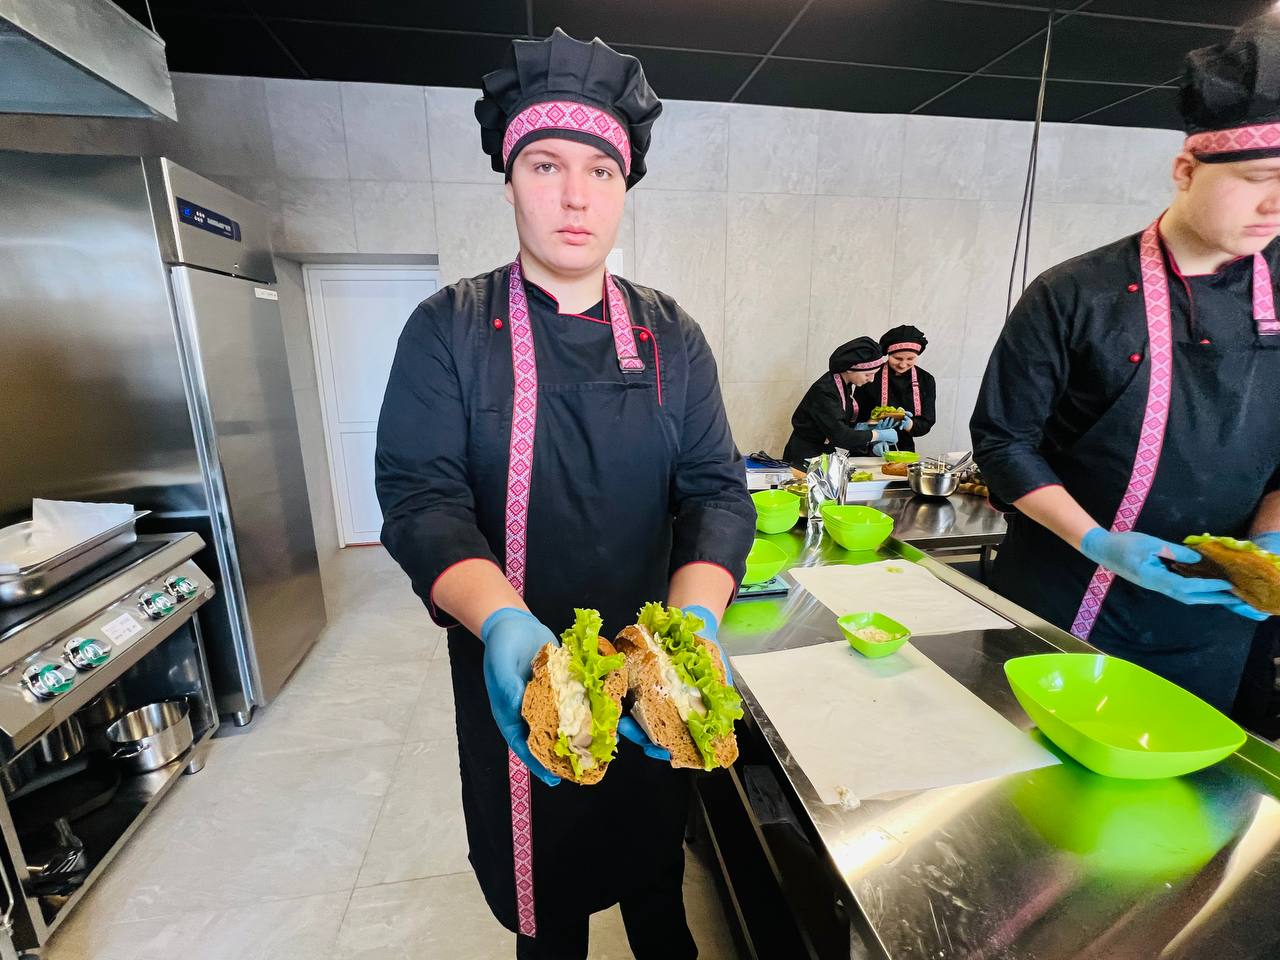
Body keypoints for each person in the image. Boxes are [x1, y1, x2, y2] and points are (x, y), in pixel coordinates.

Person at [374, 29, 754, 959]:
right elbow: (421, 498)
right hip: (520, 674)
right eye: (546, 165)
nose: (576, 196)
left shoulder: (673, 336)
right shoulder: (447, 329)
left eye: (600, 171)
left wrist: (692, 627)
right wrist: (502, 622)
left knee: (658, 887)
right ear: (510, 181)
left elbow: (716, 491)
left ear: (624, 188)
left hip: (648, 670)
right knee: (548, 917)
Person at [970, 16, 1280, 711]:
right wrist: (1097, 541)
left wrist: (1270, 543)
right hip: (1063, 596)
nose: (1274, 206)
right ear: (1186, 169)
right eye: (1258, 178)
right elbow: (1003, 441)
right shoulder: (1074, 293)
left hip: (1214, 623)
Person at [782, 336, 896, 469]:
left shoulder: (845, 385)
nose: (871, 380)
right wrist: (876, 435)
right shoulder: (825, 391)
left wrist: (864, 429)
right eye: (867, 374)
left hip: (824, 452)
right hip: (805, 455)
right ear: (850, 369)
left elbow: (839, 424)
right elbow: (840, 435)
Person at [855, 325, 937, 453]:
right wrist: (873, 431)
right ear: (888, 354)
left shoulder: (926, 380)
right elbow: (855, 418)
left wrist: (909, 424)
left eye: (910, 359)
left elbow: (926, 422)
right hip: (868, 447)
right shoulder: (870, 375)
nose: (903, 364)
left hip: (903, 451)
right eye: (897, 358)